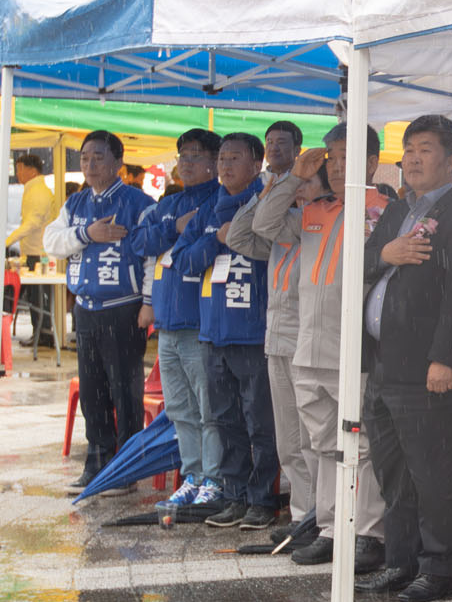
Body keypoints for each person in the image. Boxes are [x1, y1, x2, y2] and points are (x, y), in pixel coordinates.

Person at [362, 115, 452, 602]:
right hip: (383, 362)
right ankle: (402, 562)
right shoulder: (398, 210)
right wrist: (387, 254)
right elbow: (364, 262)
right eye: (408, 149)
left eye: (425, 149)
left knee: (433, 474)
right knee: (393, 473)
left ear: (451, 160)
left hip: (429, 368)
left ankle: (439, 569)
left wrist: (444, 359)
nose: (413, 158)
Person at [253, 124, 389, 573]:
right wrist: (293, 176)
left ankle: (368, 532)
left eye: (347, 157)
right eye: (332, 158)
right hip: (308, 348)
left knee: (362, 444)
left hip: (355, 348)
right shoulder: (316, 210)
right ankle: (330, 528)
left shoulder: (385, 211)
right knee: (323, 443)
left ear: (371, 163)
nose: (336, 166)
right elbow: (263, 224)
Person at [171, 133, 279, 530]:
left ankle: (262, 500)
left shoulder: (265, 203)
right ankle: (233, 496)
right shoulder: (208, 210)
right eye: (222, 159)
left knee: (260, 423)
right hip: (213, 336)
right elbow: (182, 261)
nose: (225, 166)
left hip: (253, 335)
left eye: (235, 158)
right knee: (224, 421)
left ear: (256, 164)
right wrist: (216, 239)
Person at [43, 131, 155, 492]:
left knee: (125, 391)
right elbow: (51, 242)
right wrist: (87, 234)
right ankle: (96, 463)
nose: (90, 165)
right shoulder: (75, 203)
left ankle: (126, 469)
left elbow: (153, 257)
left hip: (124, 309)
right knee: (92, 391)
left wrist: (149, 302)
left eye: (99, 157)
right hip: (86, 309)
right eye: (85, 157)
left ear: (118, 162)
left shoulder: (139, 203)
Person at [227, 121, 318, 535]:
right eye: (270, 143)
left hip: (307, 340)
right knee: (288, 442)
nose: (296, 190)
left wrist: (288, 182)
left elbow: (262, 224)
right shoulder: (283, 226)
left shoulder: (308, 224)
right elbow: (239, 235)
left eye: (304, 182)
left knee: (312, 440)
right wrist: (268, 191)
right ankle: (301, 516)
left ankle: (318, 518)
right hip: (276, 339)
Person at [128, 129, 225, 511]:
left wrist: (181, 231)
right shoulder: (170, 204)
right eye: (182, 155)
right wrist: (173, 227)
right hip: (166, 327)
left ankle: (214, 480)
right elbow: (139, 242)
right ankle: (193, 476)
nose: (185, 163)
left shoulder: (219, 201)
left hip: (200, 325)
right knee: (180, 410)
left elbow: (203, 248)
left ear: (215, 162)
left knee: (208, 410)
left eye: (195, 155)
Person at [7, 153, 61, 347]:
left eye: (20, 169)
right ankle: (40, 332)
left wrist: (7, 241)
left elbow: (32, 223)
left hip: (40, 253)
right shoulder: (33, 189)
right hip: (33, 251)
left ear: (31, 170)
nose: (18, 173)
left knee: (38, 297)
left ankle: (43, 334)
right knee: (34, 296)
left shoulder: (38, 192)